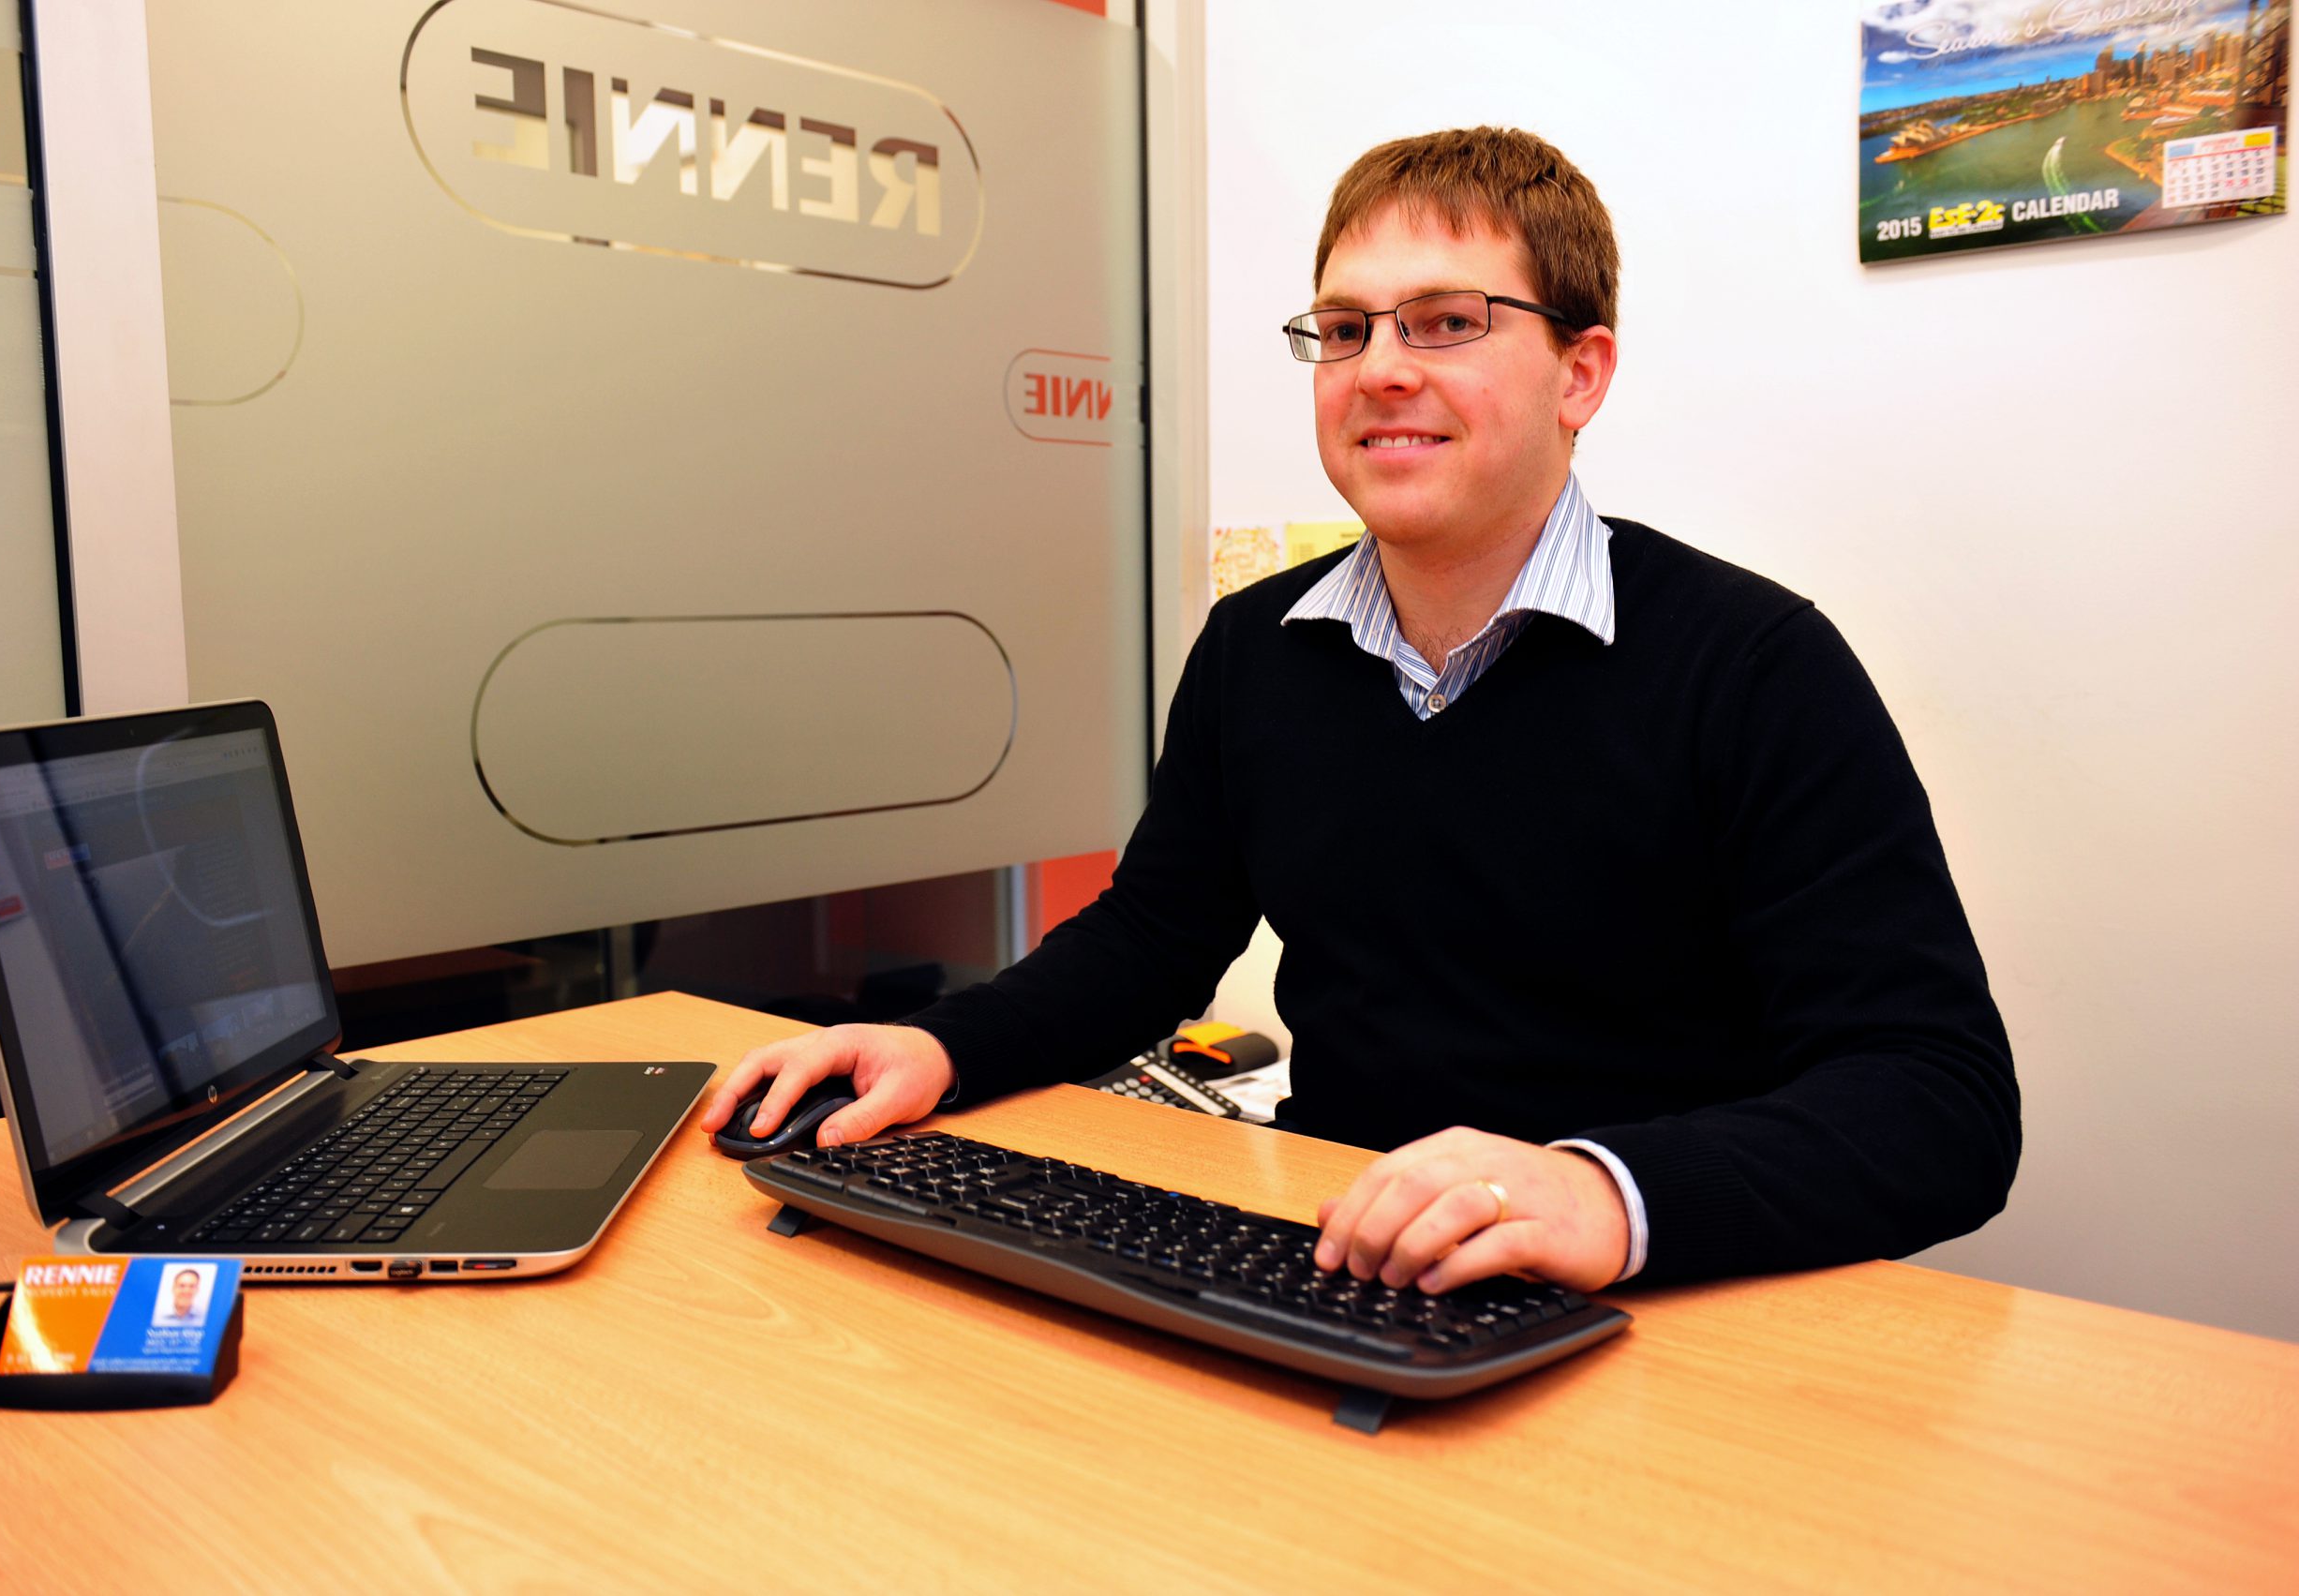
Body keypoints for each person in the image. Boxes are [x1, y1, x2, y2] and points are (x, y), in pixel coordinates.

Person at [700, 126, 2018, 1294]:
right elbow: (1153, 942)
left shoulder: (1755, 666)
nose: (1380, 369)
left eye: (1446, 322)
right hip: (1341, 1272)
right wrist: (939, 1046)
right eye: (1345, 329)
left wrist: (1601, 1191)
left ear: (1580, 373)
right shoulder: (1256, 649)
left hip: (1656, 1310)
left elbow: (1938, 1099)